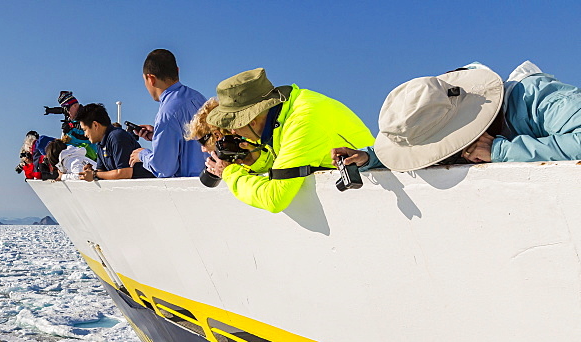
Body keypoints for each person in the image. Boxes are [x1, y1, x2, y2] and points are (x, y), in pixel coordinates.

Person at [332, 62, 581, 171]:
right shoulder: (440, 113)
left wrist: (499, 151)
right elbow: (426, 147)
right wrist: (369, 158)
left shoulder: (539, 99)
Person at [202, 68, 374, 213]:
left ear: (249, 119)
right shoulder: (287, 112)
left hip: (367, 203)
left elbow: (275, 198)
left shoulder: (302, 122)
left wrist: (229, 173)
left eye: (233, 124)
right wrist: (253, 160)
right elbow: (289, 164)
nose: (232, 131)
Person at [128, 49, 207, 178]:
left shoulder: (167, 113)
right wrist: (157, 136)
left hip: (190, 190)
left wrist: (142, 155)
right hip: (211, 182)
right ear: (177, 71)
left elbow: (164, 168)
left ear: (151, 78)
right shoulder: (198, 98)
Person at [75, 103, 154, 181]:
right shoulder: (100, 143)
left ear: (95, 125)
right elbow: (102, 172)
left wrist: (94, 174)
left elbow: (125, 173)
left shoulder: (117, 137)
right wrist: (91, 171)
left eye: (85, 130)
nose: (85, 134)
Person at [58, 91, 97, 160]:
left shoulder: (88, 118)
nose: (67, 113)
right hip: (73, 160)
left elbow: (92, 140)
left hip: (88, 159)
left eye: (67, 109)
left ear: (75, 105)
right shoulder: (70, 122)